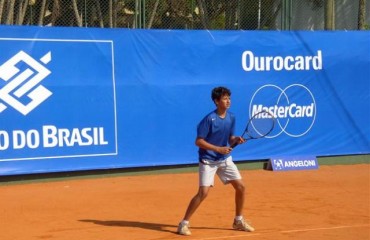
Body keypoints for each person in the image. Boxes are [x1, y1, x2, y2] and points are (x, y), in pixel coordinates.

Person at [177, 86, 255, 236]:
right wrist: (218, 149)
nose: (228, 101)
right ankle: (183, 224)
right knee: (203, 193)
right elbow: (198, 141)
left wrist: (236, 139)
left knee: (241, 187)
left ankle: (238, 220)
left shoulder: (231, 117)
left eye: (229, 98)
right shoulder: (209, 119)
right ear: (216, 101)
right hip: (208, 160)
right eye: (225, 99)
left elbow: (230, 138)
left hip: (224, 159)